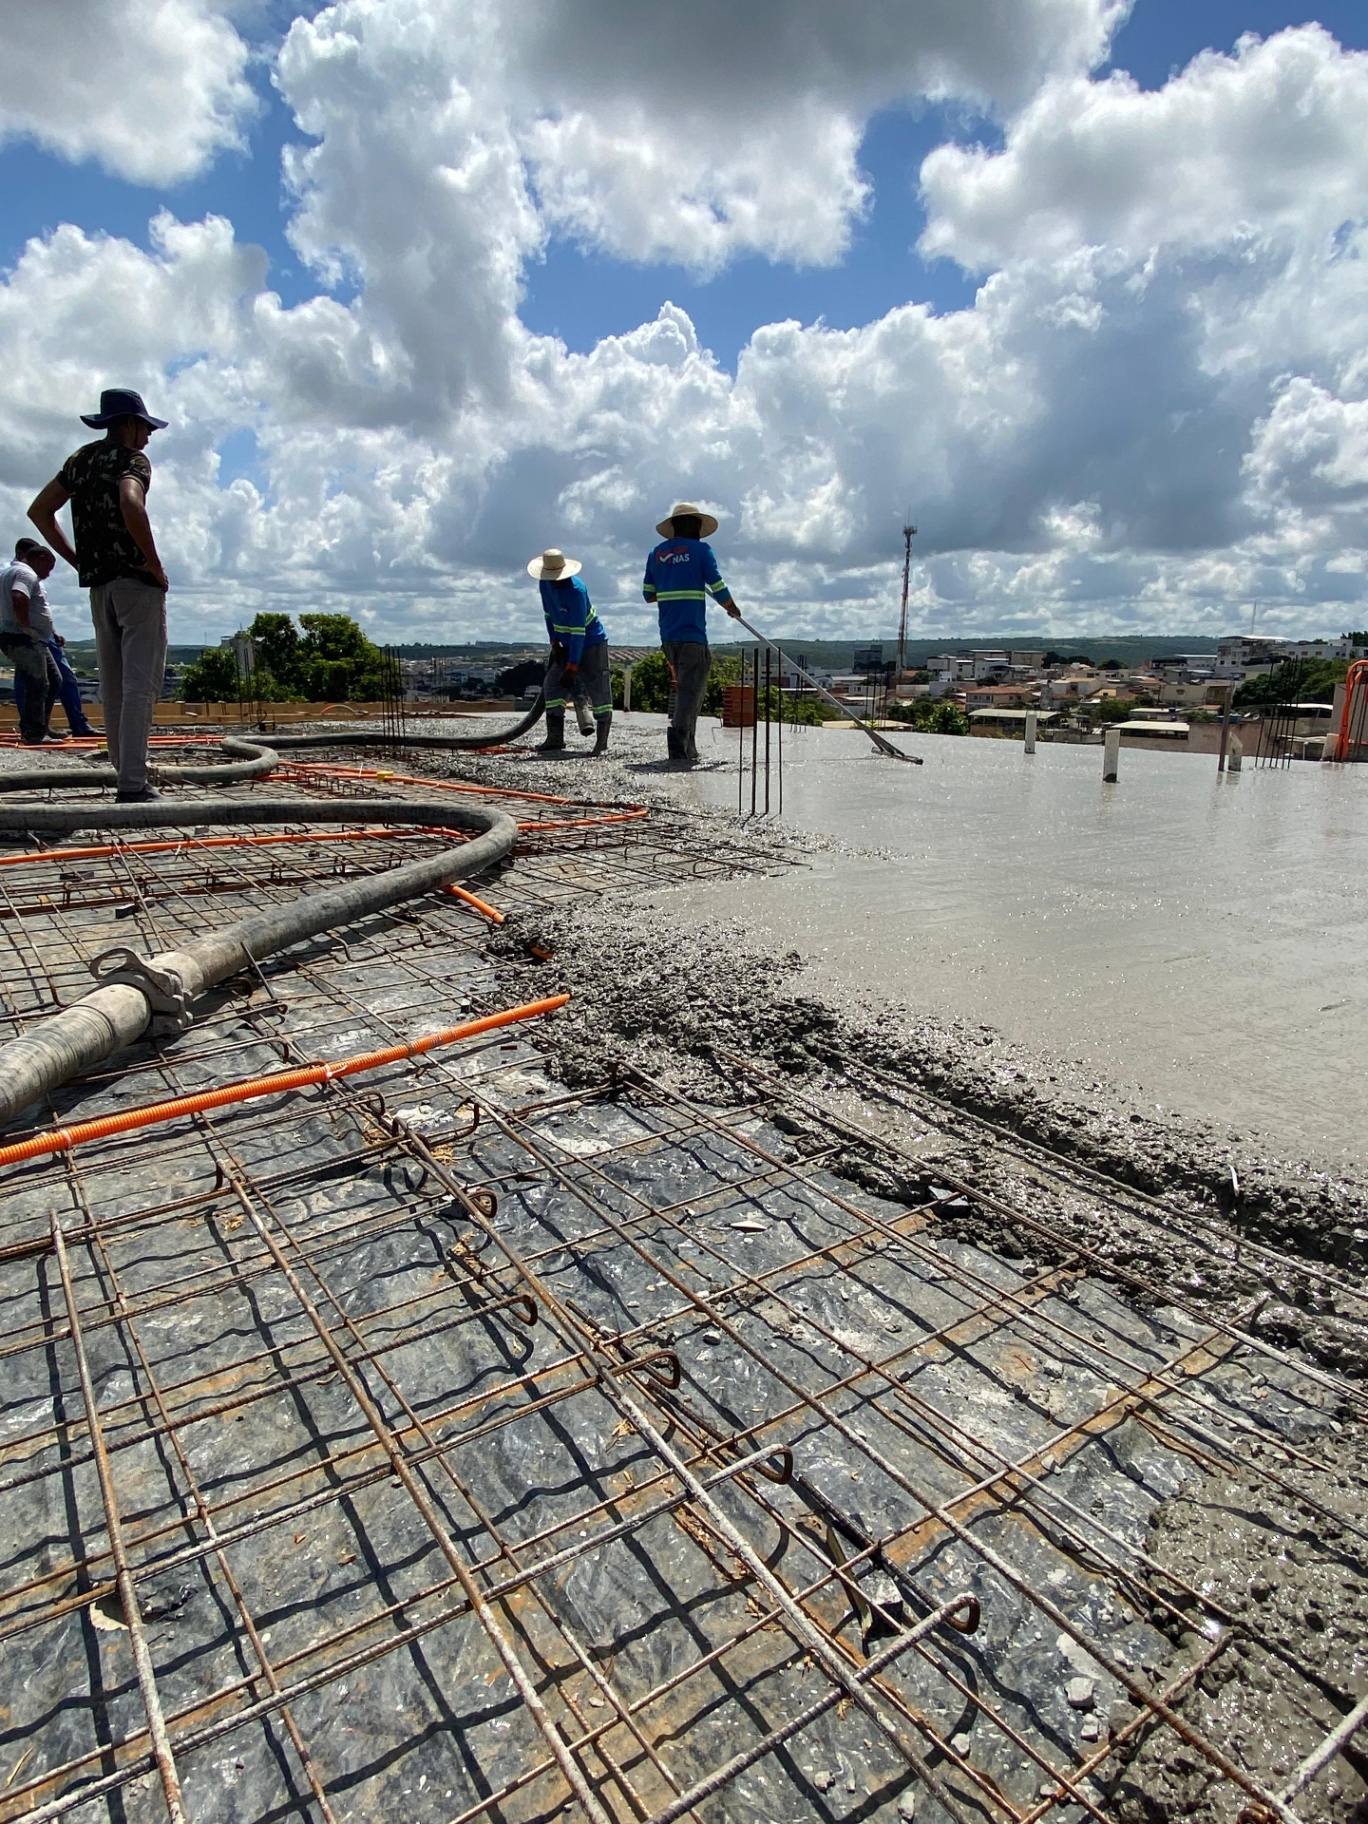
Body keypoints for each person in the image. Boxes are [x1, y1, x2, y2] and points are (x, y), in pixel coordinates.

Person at [28, 387, 170, 802]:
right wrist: (153, 564)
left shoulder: (81, 460)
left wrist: (77, 560)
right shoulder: (132, 461)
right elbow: (131, 502)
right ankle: (133, 783)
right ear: (128, 424)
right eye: (144, 427)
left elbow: (40, 511)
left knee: (113, 683)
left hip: (100, 586)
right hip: (135, 585)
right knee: (140, 685)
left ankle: (123, 771)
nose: (147, 436)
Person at [642, 501, 740, 764]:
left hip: (668, 637)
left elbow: (648, 595)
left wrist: (672, 581)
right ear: (696, 526)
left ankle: (690, 748)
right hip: (693, 636)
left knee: (685, 690)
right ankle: (678, 746)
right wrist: (732, 608)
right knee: (691, 693)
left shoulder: (657, 554)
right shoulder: (701, 551)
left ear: (674, 527)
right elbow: (717, 585)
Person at [527, 547, 612, 756]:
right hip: (565, 642)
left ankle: (601, 743)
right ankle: (555, 738)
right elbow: (549, 615)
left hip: (591, 643)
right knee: (552, 685)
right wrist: (554, 643)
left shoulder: (576, 591)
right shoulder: (545, 584)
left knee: (598, 689)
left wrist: (572, 667)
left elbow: (578, 634)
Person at [0, 539, 65, 746]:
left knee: (54, 680)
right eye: (49, 567)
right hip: (22, 637)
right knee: (38, 682)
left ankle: (40, 726)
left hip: (29, 637)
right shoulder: (26, 573)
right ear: (41, 558)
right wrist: (26, 626)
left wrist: (49, 632)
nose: (48, 573)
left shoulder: (9, 572)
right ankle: (34, 733)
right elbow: (19, 597)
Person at [13, 622, 96, 740]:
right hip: (27, 630)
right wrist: (25, 627)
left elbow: (39, 608)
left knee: (65, 678)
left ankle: (78, 725)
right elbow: (19, 605)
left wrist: (52, 631)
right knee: (29, 677)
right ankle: (32, 729)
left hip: (43, 631)